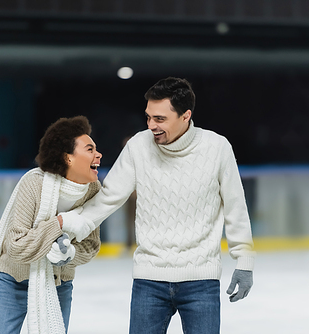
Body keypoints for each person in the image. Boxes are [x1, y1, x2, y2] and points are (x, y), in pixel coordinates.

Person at [60, 77, 255, 334]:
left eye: (160, 119)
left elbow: (235, 207)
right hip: (149, 280)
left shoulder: (217, 148)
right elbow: (107, 198)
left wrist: (244, 260)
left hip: (200, 280)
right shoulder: (138, 147)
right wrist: (68, 227)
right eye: (148, 117)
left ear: (186, 116)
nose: (151, 125)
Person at [0, 116, 103, 334]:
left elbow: (91, 246)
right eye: (90, 149)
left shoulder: (93, 191)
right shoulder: (34, 183)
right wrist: (60, 222)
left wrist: (68, 254)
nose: (98, 154)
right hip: (12, 280)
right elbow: (16, 246)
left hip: (58, 282)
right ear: (68, 158)